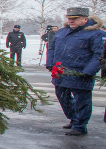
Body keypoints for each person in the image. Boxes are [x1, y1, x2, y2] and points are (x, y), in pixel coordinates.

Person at [45, 7, 104, 136]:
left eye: (75, 19)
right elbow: (52, 48)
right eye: (69, 19)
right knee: (62, 97)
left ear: (85, 19)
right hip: (60, 72)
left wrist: (89, 71)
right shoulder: (62, 32)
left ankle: (80, 125)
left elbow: (99, 55)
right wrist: (50, 63)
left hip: (80, 73)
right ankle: (74, 119)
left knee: (82, 100)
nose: (71, 21)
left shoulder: (96, 33)